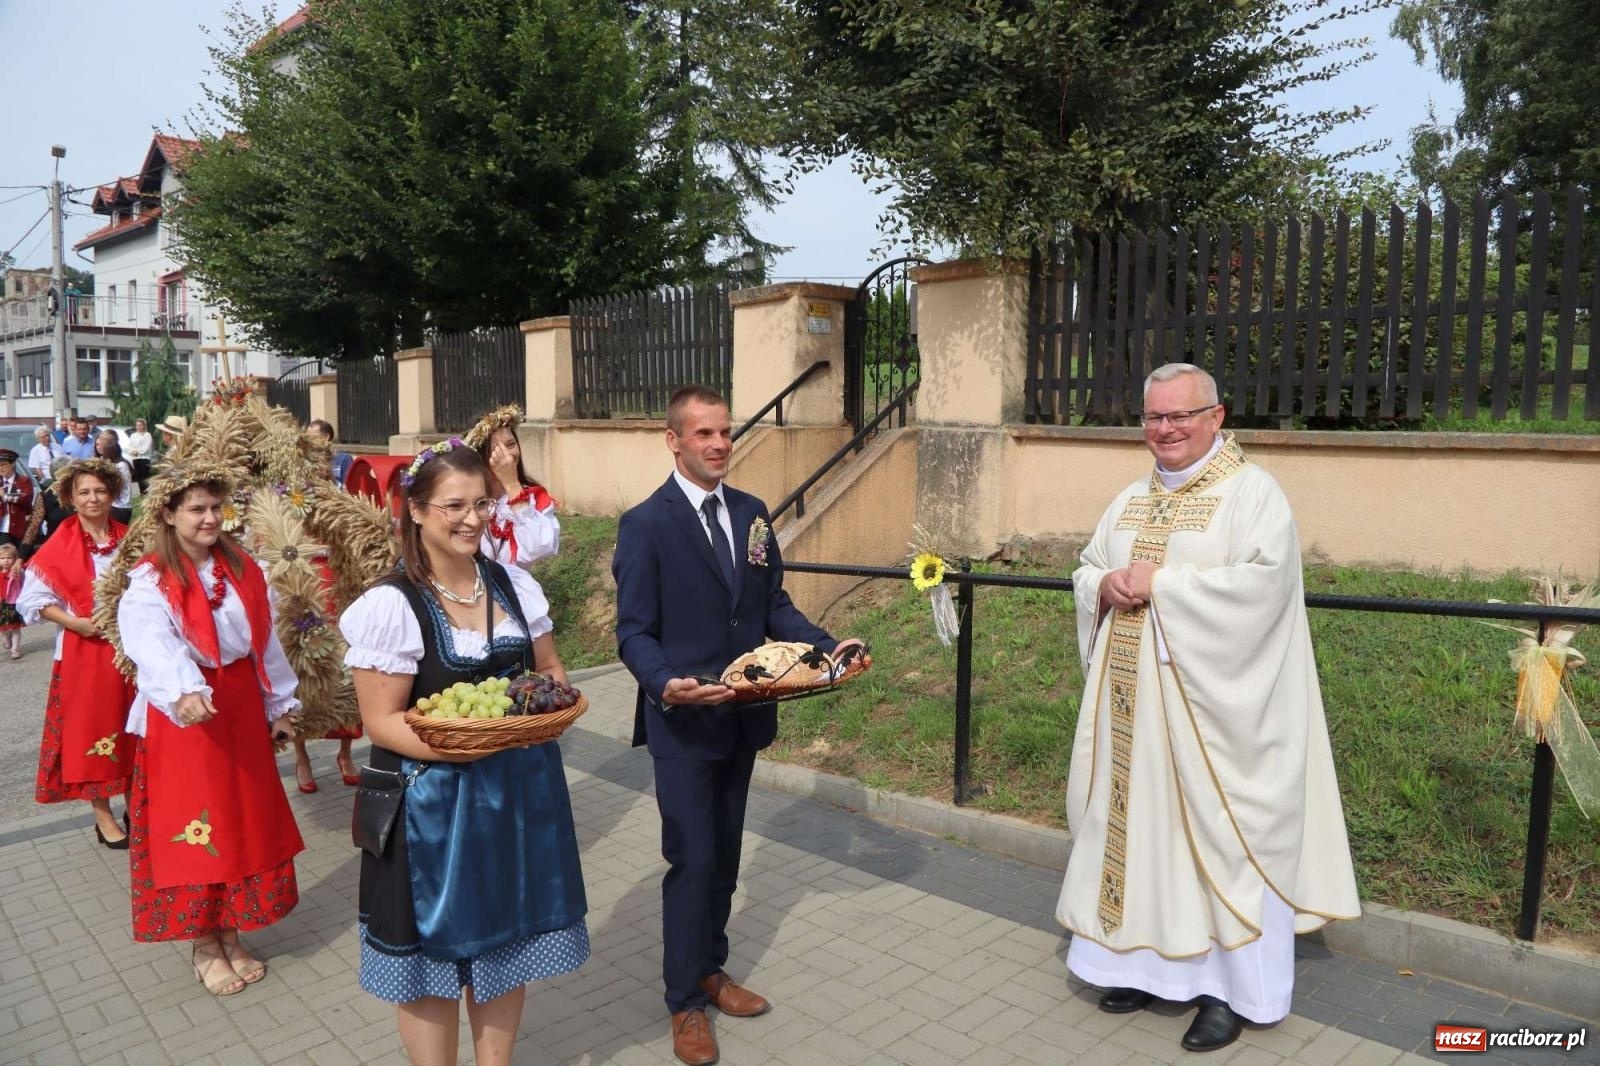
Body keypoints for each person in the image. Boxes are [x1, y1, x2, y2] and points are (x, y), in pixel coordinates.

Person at [1052, 364, 1360, 1053]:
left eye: (1180, 416)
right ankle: (1136, 965)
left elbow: (1265, 587)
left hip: (1219, 722)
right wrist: (1103, 583)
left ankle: (1229, 993)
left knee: (1217, 841)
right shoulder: (1130, 498)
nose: (1165, 430)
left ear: (1216, 418)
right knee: (1138, 840)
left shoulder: (1252, 495)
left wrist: (1164, 584)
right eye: (1154, 418)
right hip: (1134, 717)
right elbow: (1089, 565)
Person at [613, 385, 866, 1066]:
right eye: (704, 435)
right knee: (691, 858)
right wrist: (665, 681)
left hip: (744, 720)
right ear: (674, 441)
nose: (720, 444)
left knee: (724, 858)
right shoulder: (645, 524)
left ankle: (711, 970)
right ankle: (683, 1005)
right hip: (684, 722)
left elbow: (771, 605)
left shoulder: (752, 513)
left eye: (725, 432)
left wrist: (823, 646)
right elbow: (632, 631)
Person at [341, 441, 587, 1066]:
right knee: (431, 965)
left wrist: (535, 718)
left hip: (519, 794)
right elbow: (381, 721)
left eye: (481, 502)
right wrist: (464, 745)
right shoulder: (391, 605)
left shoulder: (514, 584)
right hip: (432, 807)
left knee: (507, 950)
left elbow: (551, 669)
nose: (471, 519)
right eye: (453, 505)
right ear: (417, 510)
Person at [115, 466, 304, 997]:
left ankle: (230, 931)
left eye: (215, 508)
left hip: (240, 706)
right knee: (197, 823)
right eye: (196, 509)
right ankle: (203, 943)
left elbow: (265, 642)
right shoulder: (152, 579)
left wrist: (278, 705)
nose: (210, 518)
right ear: (169, 515)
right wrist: (183, 689)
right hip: (187, 715)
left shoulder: (244, 568)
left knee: (238, 818)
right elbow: (150, 641)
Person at [17, 459, 138, 848]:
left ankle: (138, 806)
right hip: (83, 653)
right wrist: (76, 624)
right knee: (93, 734)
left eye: (100, 490)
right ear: (70, 497)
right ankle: (102, 817)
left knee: (135, 731)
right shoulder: (60, 544)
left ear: (112, 494)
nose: (93, 498)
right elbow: (31, 602)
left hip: (133, 651)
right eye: (84, 492)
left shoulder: (130, 538)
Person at [465, 405, 559, 569]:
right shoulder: (465, 501)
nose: (508, 455)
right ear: (479, 456)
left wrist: (512, 485)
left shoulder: (535, 498)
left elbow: (539, 547)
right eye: (496, 449)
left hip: (513, 588)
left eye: (511, 444)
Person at [0, 448, 35, 549]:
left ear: (13, 464)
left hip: (19, 527)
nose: (0, 468)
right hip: (2, 528)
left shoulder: (23, 481)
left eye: (3, 464)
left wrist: (5, 496)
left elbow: (25, 499)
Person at [96, 433, 136, 519]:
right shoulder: (106, 462)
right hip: (111, 505)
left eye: (102, 445)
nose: (99, 448)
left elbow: (117, 487)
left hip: (120, 507)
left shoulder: (121, 465)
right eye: (97, 445)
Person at [308, 419, 353, 489]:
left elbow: (350, 493)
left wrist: (331, 479)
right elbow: (295, 493)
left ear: (326, 437)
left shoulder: (344, 459)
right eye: (307, 437)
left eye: (313, 437)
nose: (308, 441)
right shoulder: (305, 459)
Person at [0, 543, 25, 659]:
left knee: (15, 628)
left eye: (9, 558)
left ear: (15, 560)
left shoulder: (16, 573)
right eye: (2, 558)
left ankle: (15, 649)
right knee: (3, 629)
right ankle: (6, 639)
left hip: (13, 604)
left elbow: (24, 581)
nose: (6, 561)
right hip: (1, 605)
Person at [126, 418, 153, 490]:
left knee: (144, 476)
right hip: (135, 458)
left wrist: (138, 452)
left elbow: (147, 447)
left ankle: (146, 491)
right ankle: (141, 491)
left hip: (144, 458)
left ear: (144, 426)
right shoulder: (133, 435)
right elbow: (130, 446)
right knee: (138, 476)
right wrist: (132, 451)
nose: (139, 427)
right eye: (137, 425)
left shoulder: (147, 435)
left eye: (140, 425)